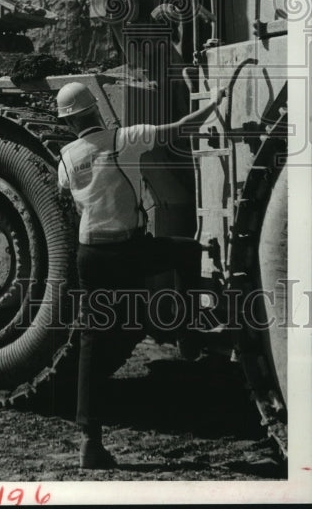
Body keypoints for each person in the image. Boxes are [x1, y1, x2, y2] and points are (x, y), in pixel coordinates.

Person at [56, 80, 227, 470]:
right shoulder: (123, 139)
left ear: (67, 123)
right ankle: (187, 331)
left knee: (92, 341)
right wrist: (216, 102)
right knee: (186, 252)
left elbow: (66, 193)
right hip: (127, 249)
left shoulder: (65, 157)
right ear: (96, 108)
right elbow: (181, 128)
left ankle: (89, 441)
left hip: (91, 255)